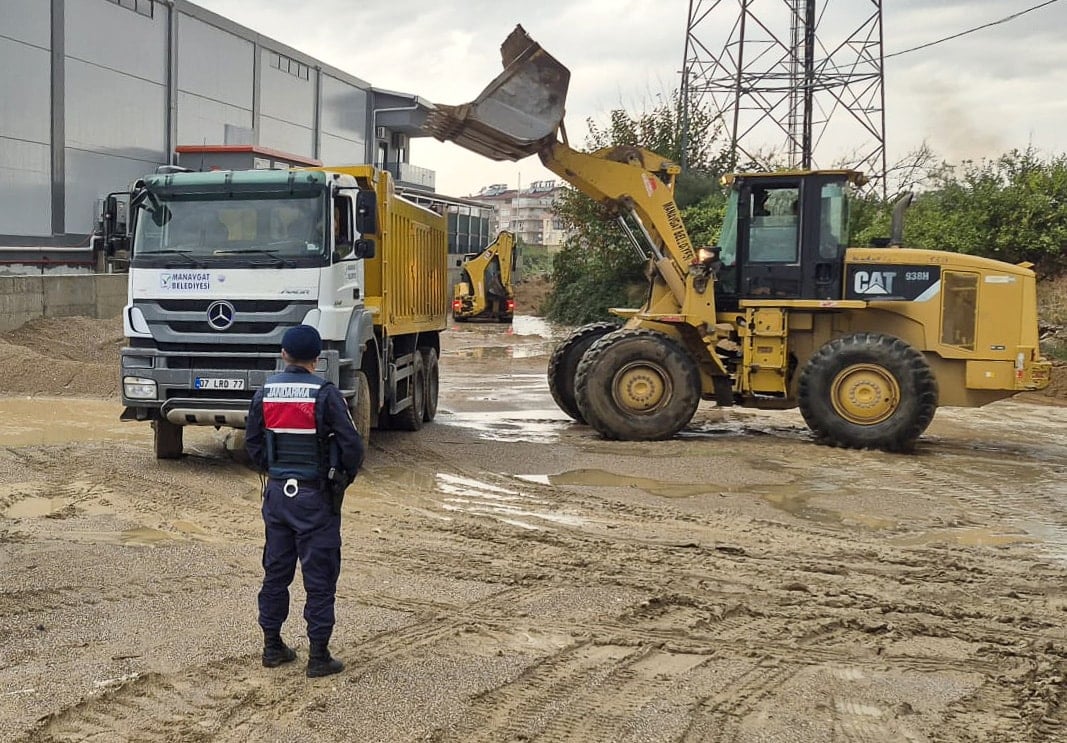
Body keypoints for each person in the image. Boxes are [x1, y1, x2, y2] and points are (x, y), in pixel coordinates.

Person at [245, 325, 365, 678]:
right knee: (320, 578)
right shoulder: (325, 393)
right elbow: (352, 446)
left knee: (275, 573)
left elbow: (253, 443)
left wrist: (277, 471)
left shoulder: (265, 392)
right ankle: (318, 656)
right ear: (317, 359)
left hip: (278, 495)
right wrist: (341, 479)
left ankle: (272, 647)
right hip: (315, 498)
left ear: (283, 354)